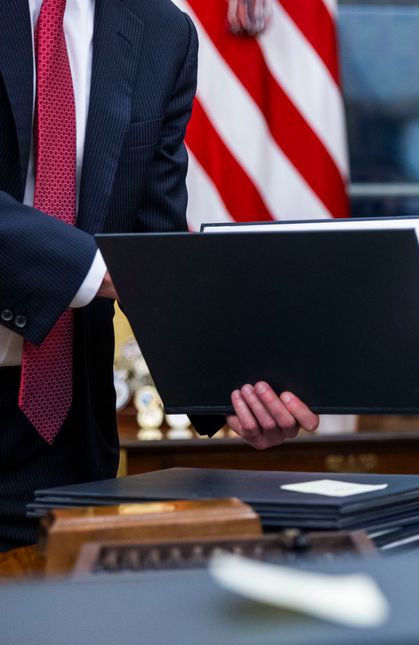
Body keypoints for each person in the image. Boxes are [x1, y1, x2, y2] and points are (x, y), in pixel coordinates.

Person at [0, 0, 311, 549]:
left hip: (65, 443)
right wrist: (100, 271)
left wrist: (233, 386)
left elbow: (153, 232)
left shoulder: (161, 31)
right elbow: (129, 266)